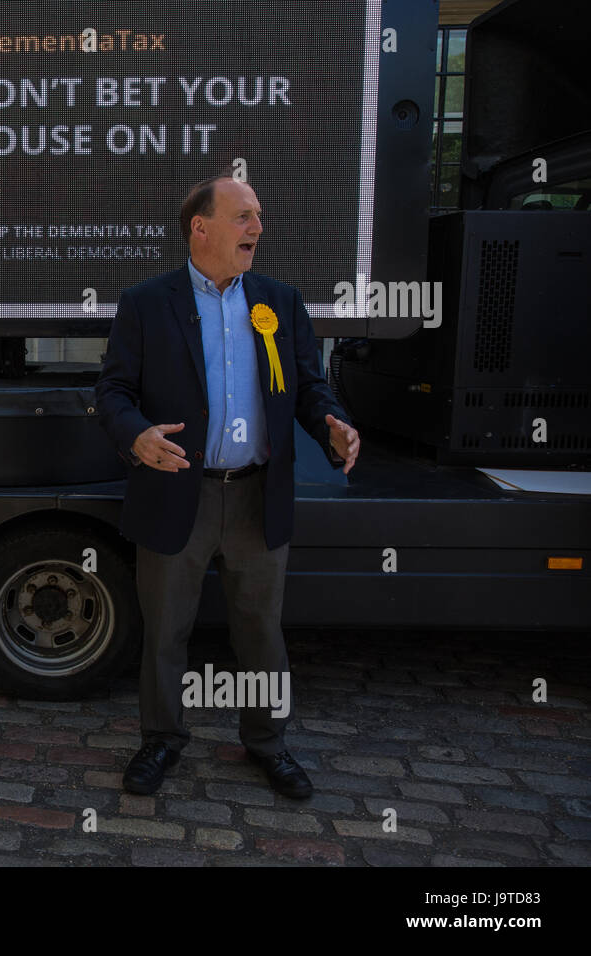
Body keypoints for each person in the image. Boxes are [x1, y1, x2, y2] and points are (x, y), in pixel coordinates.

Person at [95, 176, 360, 800]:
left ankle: (268, 743)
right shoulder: (146, 302)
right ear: (201, 228)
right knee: (165, 630)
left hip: (256, 496)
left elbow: (308, 386)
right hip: (175, 489)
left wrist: (332, 423)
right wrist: (135, 436)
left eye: (259, 217)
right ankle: (161, 740)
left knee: (261, 630)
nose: (257, 229)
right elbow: (112, 392)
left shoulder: (280, 302)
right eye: (244, 217)